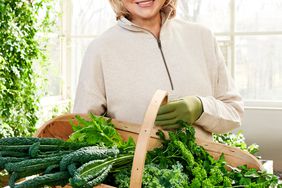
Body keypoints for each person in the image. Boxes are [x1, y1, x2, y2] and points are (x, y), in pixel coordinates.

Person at [73, 0, 244, 140]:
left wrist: (200, 107)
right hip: (135, 177)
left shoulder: (202, 37)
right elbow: (82, 128)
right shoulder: (100, 49)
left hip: (203, 175)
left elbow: (233, 113)